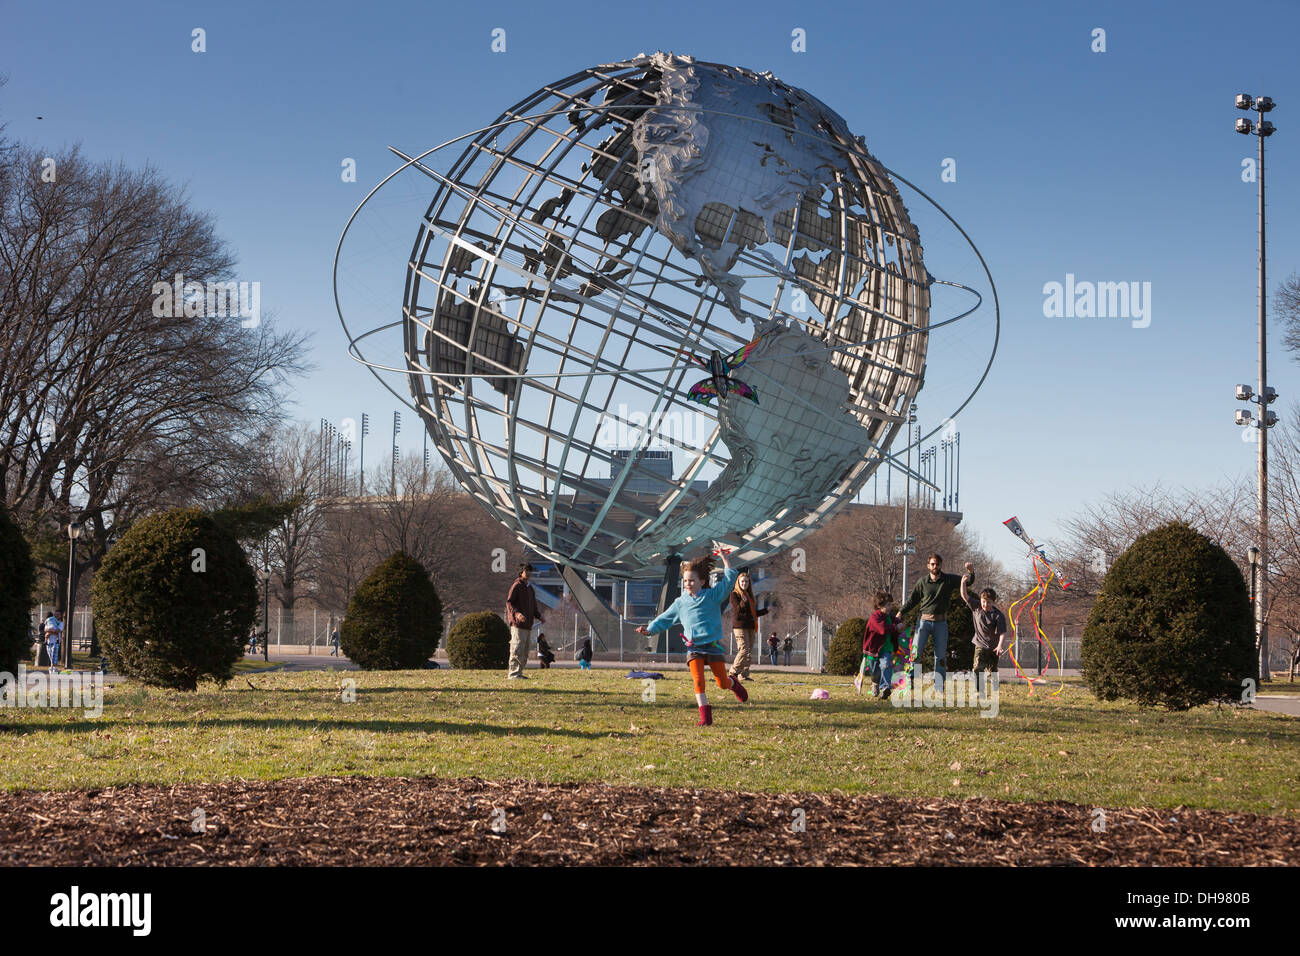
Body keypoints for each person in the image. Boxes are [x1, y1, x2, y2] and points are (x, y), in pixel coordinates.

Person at [636, 542, 749, 726]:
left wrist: (725, 559)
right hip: (693, 647)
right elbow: (665, 618)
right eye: (685, 581)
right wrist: (649, 629)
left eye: (692, 581)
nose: (688, 584)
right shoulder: (680, 603)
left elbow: (729, 581)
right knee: (698, 681)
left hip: (712, 646)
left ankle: (733, 683)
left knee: (721, 683)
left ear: (702, 582)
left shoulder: (712, 596)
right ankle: (705, 718)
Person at [899, 555, 972, 696]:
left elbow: (967, 582)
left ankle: (939, 686)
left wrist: (971, 572)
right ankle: (910, 681)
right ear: (928, 566)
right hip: (923, 622)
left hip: (941, 623)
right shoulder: (922, 582)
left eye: (937, 564)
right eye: (932, 564)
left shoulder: (948, 580)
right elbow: (912, 600)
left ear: (941, 565)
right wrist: (900, 612)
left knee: (940, 657)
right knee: (915, 654)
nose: (935, 567)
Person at [960, 572, 1007, 696]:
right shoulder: (976, 607)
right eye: (984, 601)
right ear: (981, 600)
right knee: (977, 668)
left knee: (992, 671)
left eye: (989, 602)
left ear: (993, 602)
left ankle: (995, 691)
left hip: (993, 647)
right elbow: (965, 596)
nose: (986, 605)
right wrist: (963, 583)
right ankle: (979, 691)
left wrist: (1000, 646)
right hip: (980, 644)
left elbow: (1002, 633)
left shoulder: (998, 615)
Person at [505, 562, 545, 680]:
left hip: (528, 625)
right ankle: (513, 674)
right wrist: (517, 614)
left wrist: (539, 616)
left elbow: (533, 606)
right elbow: (509, 602)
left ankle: (519, 672)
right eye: (526, 571)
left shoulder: (530, 588)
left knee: (524, 651)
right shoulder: (517, 586)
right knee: (517, 648)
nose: (528, 573)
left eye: (529, 571)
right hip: (518, 625)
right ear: (521, 572)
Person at [862, 591, 904, 699]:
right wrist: (895, 627)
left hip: (886, 647)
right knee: (874, 671)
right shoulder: (875, 617)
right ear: (880, 606)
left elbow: (895, 621)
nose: (891, 607)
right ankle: (875, 683)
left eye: (891, 604)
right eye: (888, 605)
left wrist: (899, 622)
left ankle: (885, 687)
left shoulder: (889, 616)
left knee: (886, 665)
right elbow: (882, 629)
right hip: (874, 649)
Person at [727, 570, 767, 681]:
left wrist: (765, 611)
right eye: (742, 581)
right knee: (743, 650)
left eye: (746, 582)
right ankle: (733, 673)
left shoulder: (749, 595)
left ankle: (743, 675)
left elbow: (752, 613)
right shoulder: (734, 594)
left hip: (750, 626)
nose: (744, 583)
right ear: (738, 582)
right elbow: (738, 611)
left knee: (748, 652)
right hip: (740, 626)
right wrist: (743, 602)